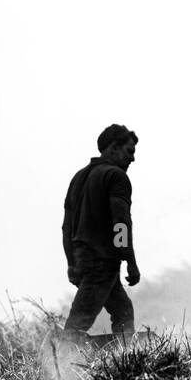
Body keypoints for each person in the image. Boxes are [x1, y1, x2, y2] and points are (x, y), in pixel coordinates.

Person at [61, 124, 140, 338]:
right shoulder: (116, 177)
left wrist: (71, 263)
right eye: (129, 151)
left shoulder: (78, 178)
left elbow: (67, 228)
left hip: (84, 261)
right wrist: (130, 261)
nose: (132, 159)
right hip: (102, 261)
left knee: (123, 311)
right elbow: (121, 222)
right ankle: (60, 363)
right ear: (114, 148)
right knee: (77, 324)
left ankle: (123, 361)